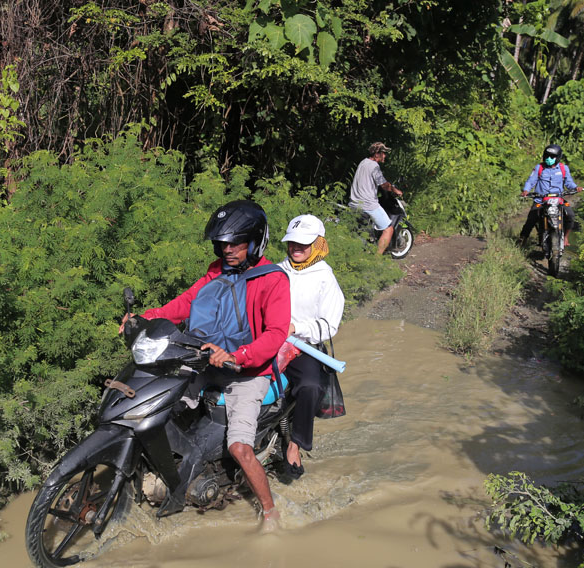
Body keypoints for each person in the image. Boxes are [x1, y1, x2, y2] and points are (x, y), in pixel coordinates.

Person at [118, 200, 290, 531]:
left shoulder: (273, 280)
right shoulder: (217, 272)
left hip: (248, 374)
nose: (227, 250)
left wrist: (237, 356)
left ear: (255, 242)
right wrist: (145, 318)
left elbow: (276, 334)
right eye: (221, 244)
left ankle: (271, 513)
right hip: (205, 361)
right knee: (156, 407)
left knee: (240, 448)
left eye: (235, 244)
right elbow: (185, 304)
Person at [277, 214, 345, 479]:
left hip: (303, 346)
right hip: (270, 341)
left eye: (303, 244)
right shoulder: (277, 270)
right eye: (292, 242)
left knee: (310, 386)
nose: (296, 248)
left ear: (318, 244)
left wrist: (296, 328)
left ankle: (296, 444)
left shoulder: (325, 278)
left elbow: (329, 326)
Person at [518, 144, 584, 248]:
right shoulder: (539, 168)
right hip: (541, 200)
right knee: (531, 218)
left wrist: (576, 188)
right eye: (547, 156)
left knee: (570, 215)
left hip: (558, 200)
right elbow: (531, 181)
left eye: (552, 157)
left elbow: (569, 182)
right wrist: (526, 190)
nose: (549, 159)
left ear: (557, 157)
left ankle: (565, 237)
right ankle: (522, 240)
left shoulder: (563, 168)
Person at [349, 142, 403, 255]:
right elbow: (384, 185)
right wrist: (395, 190)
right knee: (388, 229)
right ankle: (377, 259)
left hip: (354, 204)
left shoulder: (363, 162)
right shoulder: (374, 166)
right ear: (377, 154)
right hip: (368, 205)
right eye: (383, 153)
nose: (385, 156)